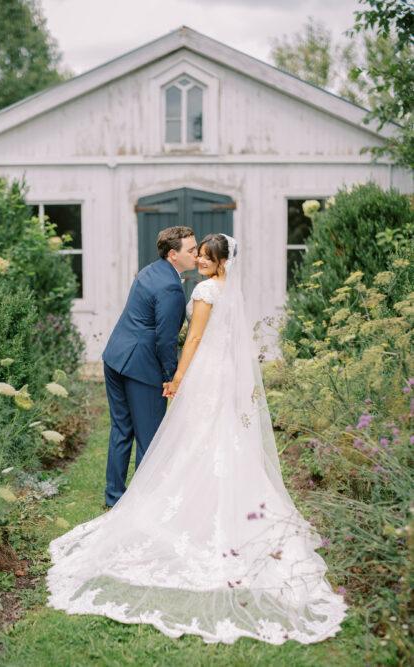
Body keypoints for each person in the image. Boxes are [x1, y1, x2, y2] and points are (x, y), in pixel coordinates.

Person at [46, 233, 348, 645]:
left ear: (221, 260)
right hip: (207, 372)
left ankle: (130, 498)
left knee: (171, 437)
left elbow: (192, 337)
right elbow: (180, 337)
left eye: (205, 255)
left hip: (178, 368)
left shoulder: (180, 282)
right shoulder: (217, 288)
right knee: (203, 437)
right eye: (196, 253)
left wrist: (177, 377)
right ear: (178, 255)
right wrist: (175, 374)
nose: (199, 259)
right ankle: (128, 497)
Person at [101, 226, 197, 507]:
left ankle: (114, 497)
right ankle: (143, 504)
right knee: (150, 438)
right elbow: (165, 340)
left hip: (115, 356)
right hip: (141, 366)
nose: (196, 253)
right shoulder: (171, 287)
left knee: (121, 429)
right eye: (190, 250)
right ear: (173, 255)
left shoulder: (149, 271)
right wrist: (171, 377)